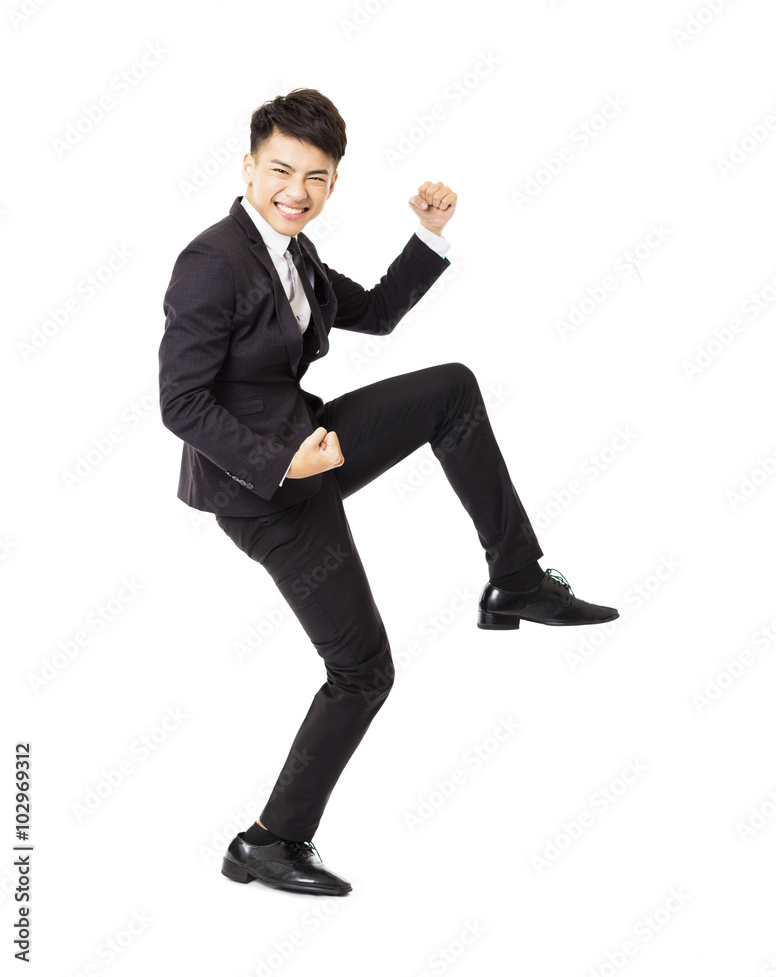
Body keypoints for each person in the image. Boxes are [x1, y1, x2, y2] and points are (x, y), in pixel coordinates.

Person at [158, 88, 618, 897]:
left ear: (334, 183)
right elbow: (181, 404)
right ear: (248, 168)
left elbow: (371, 313)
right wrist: (283, 465)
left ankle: (515, 579)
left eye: (316, 177)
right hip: (263, 493)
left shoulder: (292, 251)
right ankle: (267, 841)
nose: (297, 190)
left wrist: (427, 235)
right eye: (281, 171)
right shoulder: (212, 262)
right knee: (363, 670)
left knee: (451, 390)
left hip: (311, 442)